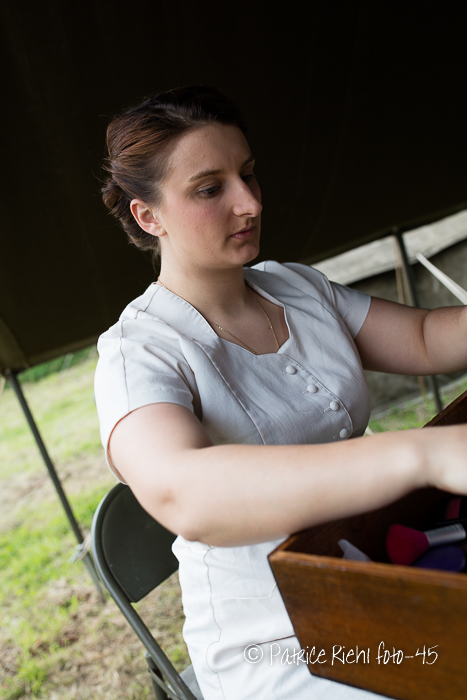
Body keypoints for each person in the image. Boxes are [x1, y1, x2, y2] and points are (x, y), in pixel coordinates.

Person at [94, 85, 467, 700]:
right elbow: (182, 491)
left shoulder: (293, 286)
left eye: (248, 175)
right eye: (210, 189)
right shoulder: (138, 352)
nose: (249, 202)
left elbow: (424, 338)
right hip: (278, 642)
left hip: (373, 575)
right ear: (148, 216)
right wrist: (422, 455)